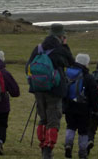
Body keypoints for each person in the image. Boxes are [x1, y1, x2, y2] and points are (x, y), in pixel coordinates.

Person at [26, 23, 75, 159]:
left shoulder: (39, 48)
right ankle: (48, 150)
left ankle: (43, 147)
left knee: (43, 118)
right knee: (53, 120)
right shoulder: (60, 49)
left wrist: (35, 82)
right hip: (55, 89)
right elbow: (71, 62)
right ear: (61, 36)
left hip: (38, 89)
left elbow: (28, 67)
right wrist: (65, 45)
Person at [63, 53, 98, 159]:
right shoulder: (88, 77)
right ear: (86, 63)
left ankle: (68, 144)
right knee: (83, 131)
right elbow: (94, 94)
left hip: (69, 105)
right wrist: (95, 108)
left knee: (70, 126)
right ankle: (82, 153)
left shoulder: (67, 73)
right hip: (84, 108)